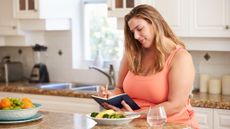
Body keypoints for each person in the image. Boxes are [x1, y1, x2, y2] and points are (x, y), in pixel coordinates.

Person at [99, 4, 199, 128]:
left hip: (173, 124)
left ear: (154, 23)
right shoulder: (132, 53)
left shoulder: (180, 57)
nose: (135, 36)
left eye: (139, 29)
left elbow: (176, 104)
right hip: (137, 124)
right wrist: (110, 96)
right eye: (133, 32)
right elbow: (120, 88)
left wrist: (136, 114)